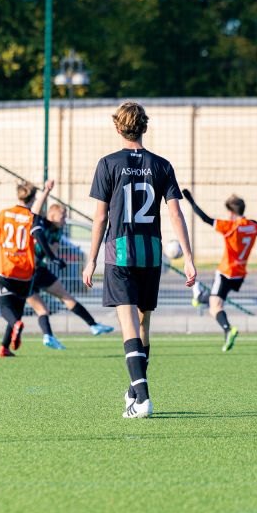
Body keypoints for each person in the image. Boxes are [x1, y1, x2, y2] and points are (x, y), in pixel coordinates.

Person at [82, 101, 196, 418]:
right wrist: (188, 257)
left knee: (128, 323)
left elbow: (100, 217)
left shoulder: (108, 164)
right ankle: (133, 390)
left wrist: (91, 260)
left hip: (120, 252)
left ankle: (142, 399)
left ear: (118, 127)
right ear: (144, 127)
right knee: (144, 323)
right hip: (151, 253)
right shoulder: (162, 165)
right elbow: (175, 214)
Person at [182, 190, 257, 351]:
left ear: (231, 212)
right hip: (239, 275)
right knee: (216, 300)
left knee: (215, 307)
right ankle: (200, 296)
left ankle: (227, 329)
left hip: (225, 272)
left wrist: (190, 199)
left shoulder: (229, 226)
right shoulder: (253, 226)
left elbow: (205, 218)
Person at [25, 179, 114, 350]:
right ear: (52, 216)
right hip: (28, 271)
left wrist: (53, 255)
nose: (65, 220)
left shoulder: (57, 231)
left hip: (37, 271)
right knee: (48, 305)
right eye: (62, 217)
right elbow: (35, 210)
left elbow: (51, 251)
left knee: (59, 299)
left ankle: (89, 326)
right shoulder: (40, 222)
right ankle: (85, 327)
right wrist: (46, 190)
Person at [0, 181, 64, 358]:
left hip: (6, 268)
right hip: (25, 272)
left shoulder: (3, 214)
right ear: (33, 198)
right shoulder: (31, 218)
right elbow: (40, 237)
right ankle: (4, 347)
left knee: (6, 308)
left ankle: (15, 325)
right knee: (18, 309)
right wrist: (53, 257)